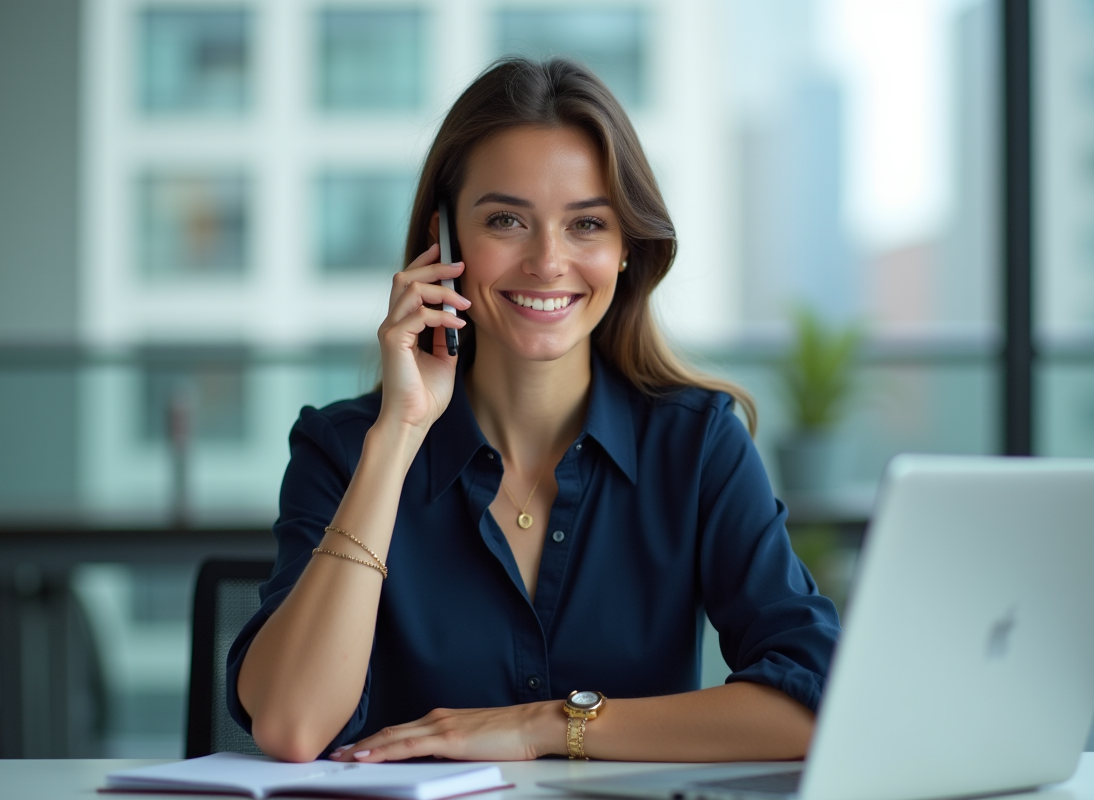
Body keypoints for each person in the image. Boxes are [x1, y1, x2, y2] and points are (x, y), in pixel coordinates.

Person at [228, 57, 840, 764]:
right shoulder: (342, 448)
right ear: (444, 241)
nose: (548, 262)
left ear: (624, 252)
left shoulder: (698, 445)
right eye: (506, 220)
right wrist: (399, 434)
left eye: (586, 225)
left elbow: (814, 701)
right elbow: (292, 726)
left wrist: (548, 725)